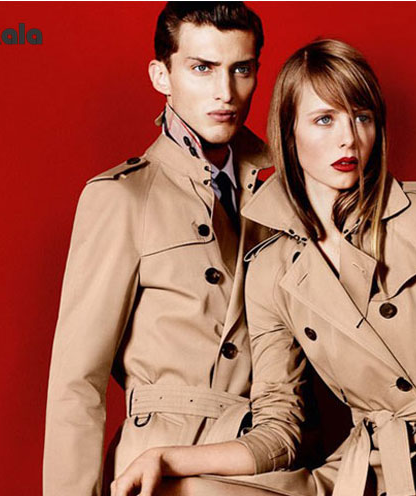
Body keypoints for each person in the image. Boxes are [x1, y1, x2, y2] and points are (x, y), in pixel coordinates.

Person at [112, 39, 416, 496]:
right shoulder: (271, 269)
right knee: (181, 491)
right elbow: (278, 428)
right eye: (325, 119)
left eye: (362, 117)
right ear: (289, 134)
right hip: (370, 468)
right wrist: (166, 457)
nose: (349, 137)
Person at [43, 3, 312, 496]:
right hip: (161, 474)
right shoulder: (124, 197)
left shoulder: (290, 192)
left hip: (270, 468)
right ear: (161, 76)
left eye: (241, 70)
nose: (225, 92)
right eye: (202, 68)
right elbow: (76, 382)